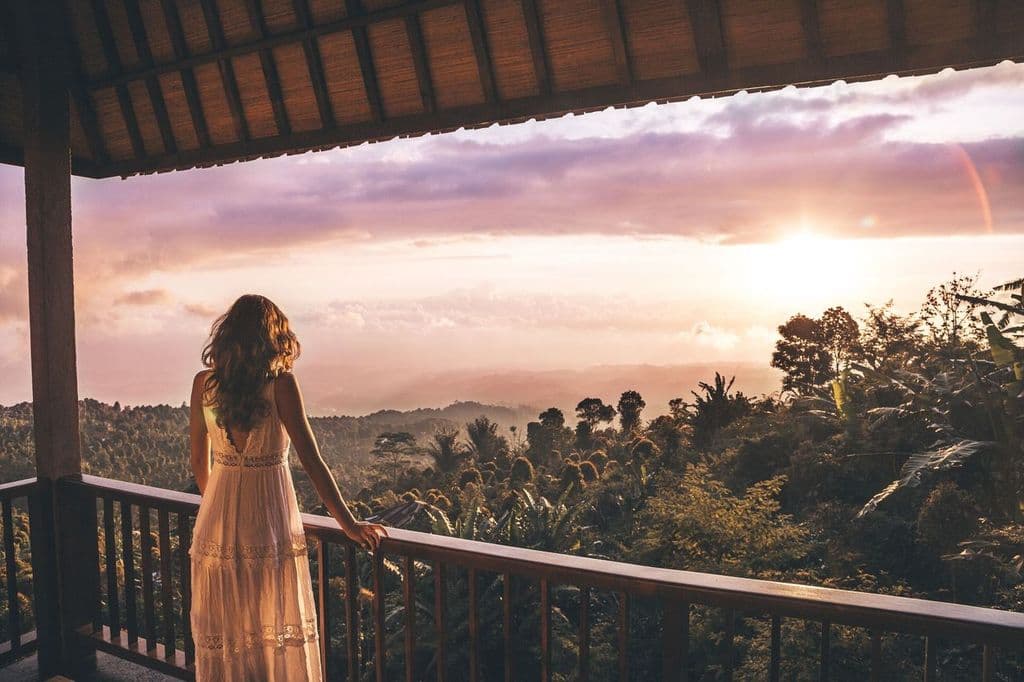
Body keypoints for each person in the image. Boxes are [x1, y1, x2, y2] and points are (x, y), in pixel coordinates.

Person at [188, 294, 387, 681]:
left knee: (230, 629)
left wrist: (218, 508)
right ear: (274, 338)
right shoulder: (280, 385)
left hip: (216, 518)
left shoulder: (203, 384)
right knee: (269, 626)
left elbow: (199, 460)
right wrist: (349, 524)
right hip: (266, 518)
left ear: (227, 336)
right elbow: (311, 460)